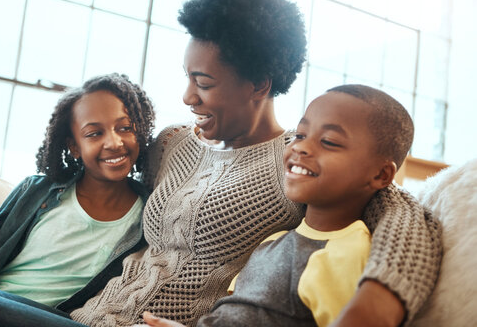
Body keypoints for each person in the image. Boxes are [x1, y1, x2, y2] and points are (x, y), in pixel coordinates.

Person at [0, 0, 440, 327]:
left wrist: (381, 295)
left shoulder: (297, 164)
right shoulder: (171, 144)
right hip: (77, 313)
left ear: (258, 84)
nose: (186, 97)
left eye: (202, 83)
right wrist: (9, 225)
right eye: (187, 77)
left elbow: (402, 211)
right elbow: (93, 178)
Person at [136, 84, 431, 327]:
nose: (301, 146)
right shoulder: (275, 241)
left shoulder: (344, 253)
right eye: (301, 135)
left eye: (329, 141)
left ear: (381, 175)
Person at [0, 73, 155, 324]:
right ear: (74, 147)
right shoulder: (37, 189)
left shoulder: (149, 217)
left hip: (46, 318)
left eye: (125, 127)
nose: (114, 142)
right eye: (94, 133)